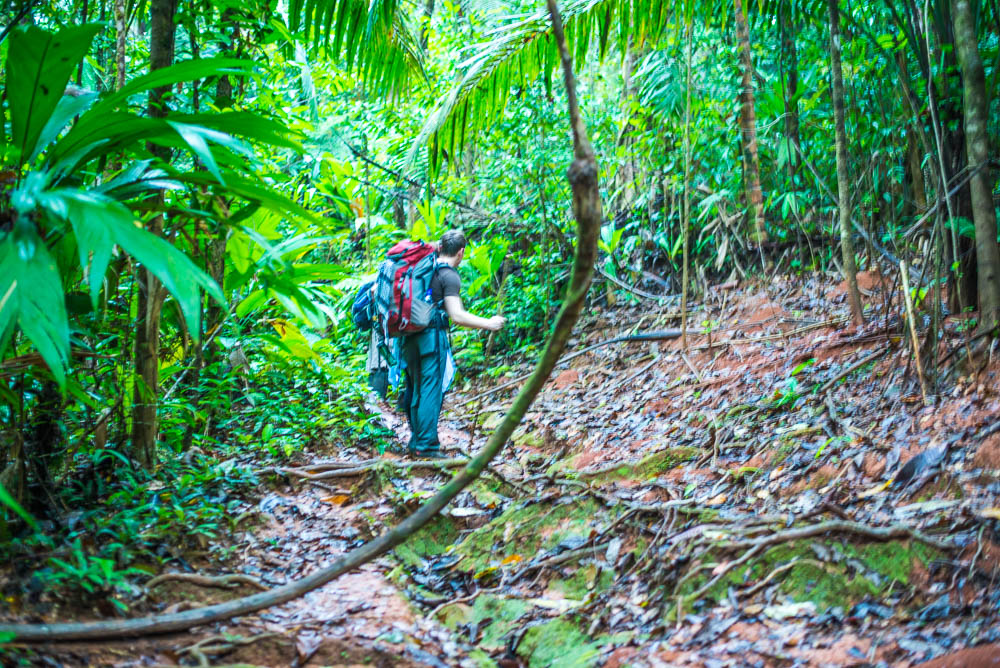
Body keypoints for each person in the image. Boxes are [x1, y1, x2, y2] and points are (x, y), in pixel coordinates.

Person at [402, 229, 505, 458]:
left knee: (417, 388)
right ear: (461, 252)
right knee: (431, 390)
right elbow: (457, 315)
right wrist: (489, 323)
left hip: (408, 337)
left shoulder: (421, 269)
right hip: (431, 338)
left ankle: (416, 442)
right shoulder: (448, 275)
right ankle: (427, 446)